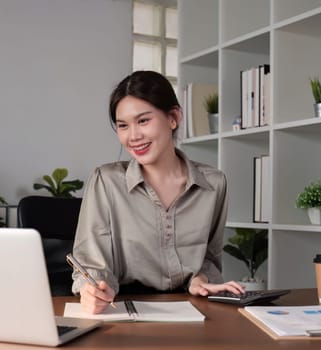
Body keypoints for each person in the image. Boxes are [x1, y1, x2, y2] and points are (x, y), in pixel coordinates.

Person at [72, 70, 244, 314]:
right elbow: (92, 264)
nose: (133, 136)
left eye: (143, 121)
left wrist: (201, 281)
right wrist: (94, 291)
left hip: (190, 310)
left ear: (173, 118)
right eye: (123, 126)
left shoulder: (213, 184)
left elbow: (209, 259)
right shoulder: (106, 181)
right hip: (123, 309)